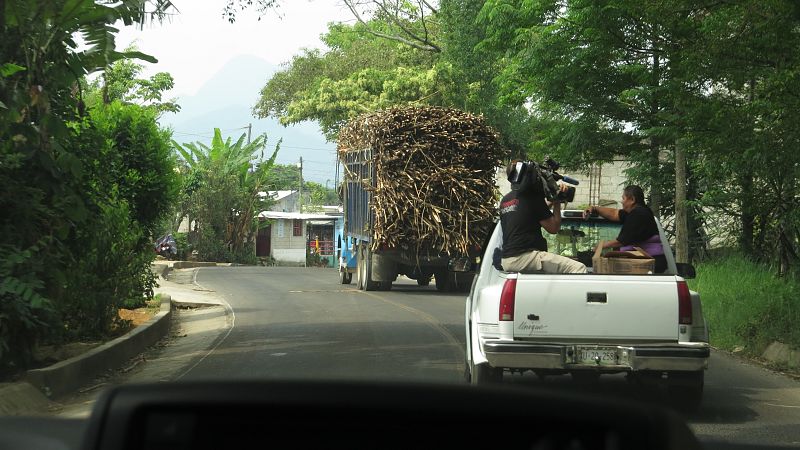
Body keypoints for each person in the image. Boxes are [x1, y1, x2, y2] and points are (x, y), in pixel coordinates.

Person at [499, 161, 587, 274]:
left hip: (507, 260)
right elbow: (554, 228)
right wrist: (557, 201)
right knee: (579, 268)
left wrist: (553, 199)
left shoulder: (506, 200)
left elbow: (533, 212)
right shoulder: (532, 197)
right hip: (525, 257)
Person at [583, 185, 667, 273]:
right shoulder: (635, 212)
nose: (621, 201)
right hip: (645, 264)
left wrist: (600, 246)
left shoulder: (639, 214)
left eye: (623, 198)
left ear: (632, 200)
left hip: (649, 265)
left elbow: (621, 241)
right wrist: (594, 208)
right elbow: (614, 213)